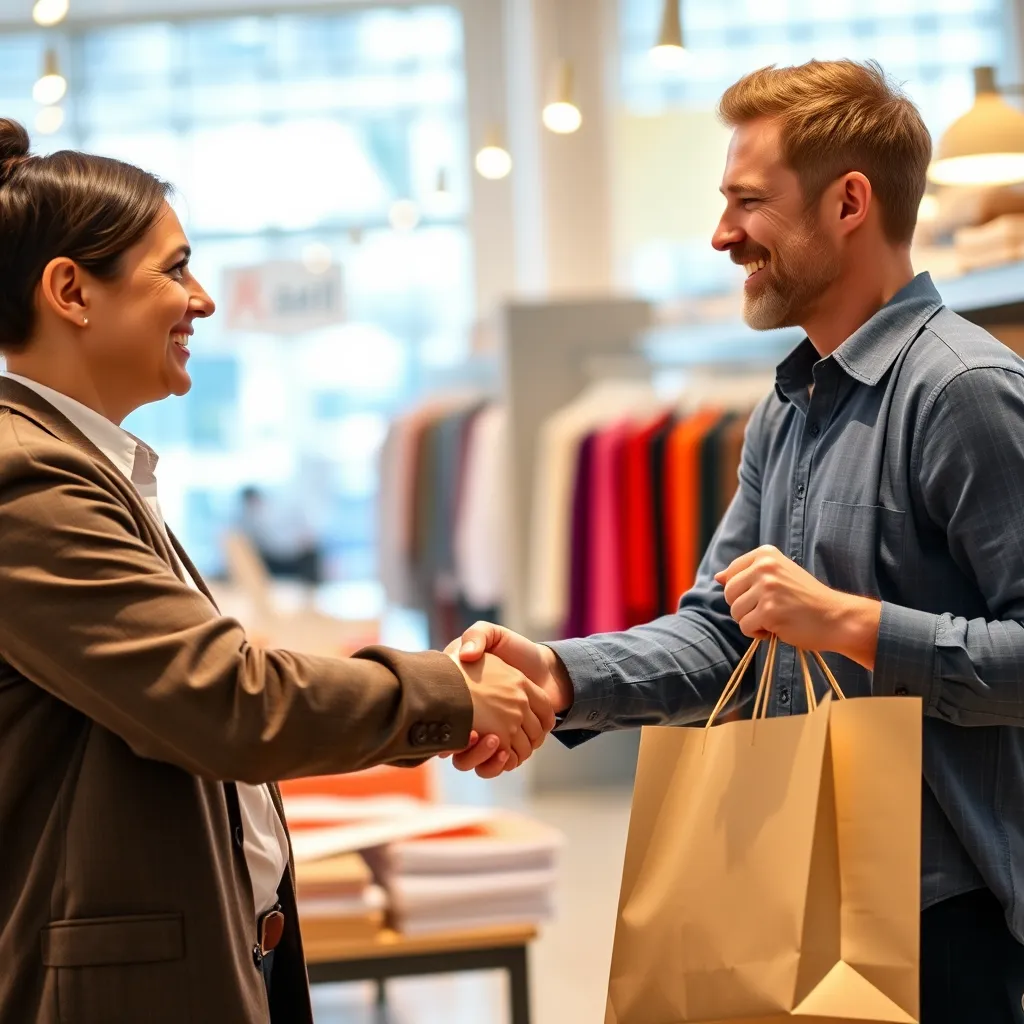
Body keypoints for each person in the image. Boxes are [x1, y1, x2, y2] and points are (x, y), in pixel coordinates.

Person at [449, 61, 1024, 1023]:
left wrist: (856, 625)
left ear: (850, 202)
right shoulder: (790, 406)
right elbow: (724, 633)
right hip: (806, 889)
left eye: (748, 202)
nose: (722, 236)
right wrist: (557, 674)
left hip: (948, 925)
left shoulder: (962, 391)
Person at [0, 118, 553, 1024]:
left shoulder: (83, 465)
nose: (204, 300)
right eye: (173, 269)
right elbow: (222, 698)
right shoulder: (25, 478)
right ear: (71, 291)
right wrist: (451, 693)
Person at [237, 485, 324, 585]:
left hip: (296, 555)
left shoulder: (280, 509)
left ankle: (312, 588)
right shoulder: (249, 519)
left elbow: (306, 532)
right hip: (272, 558)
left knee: (311, 553)